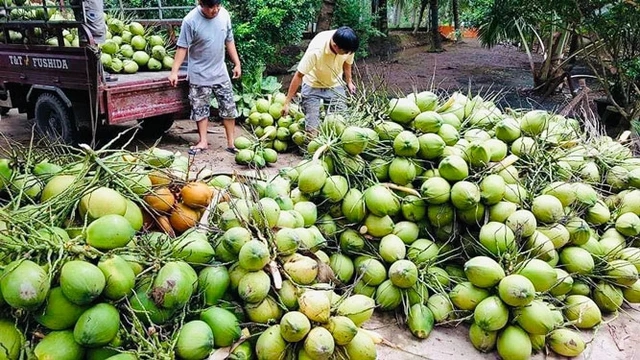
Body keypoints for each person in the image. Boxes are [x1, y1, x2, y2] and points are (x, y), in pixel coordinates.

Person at [168, 0, 241, 155]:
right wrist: (174, 71)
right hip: (199, 74)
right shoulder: (190, 20)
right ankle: (203, 141)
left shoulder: (224, 15)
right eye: (210, 7)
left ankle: (231, 143)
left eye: (217, 6)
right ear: (201, 4)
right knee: (200, 109)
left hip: (220, 72)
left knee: (229, 107)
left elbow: (229, 40)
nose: (215, 10)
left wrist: (237, 63)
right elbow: (182, 47)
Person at [281, 26, 359, 136]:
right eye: (346, 52)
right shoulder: (316, 50)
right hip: (313, 84)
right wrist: (287, 102)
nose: (348, 53)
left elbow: (348, 63)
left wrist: (349, 82)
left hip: (335, 84)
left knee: (341, 124)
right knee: (312, 128)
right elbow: (298, 75)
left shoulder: (347, 44)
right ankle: (312, 150)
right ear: (335, 46)